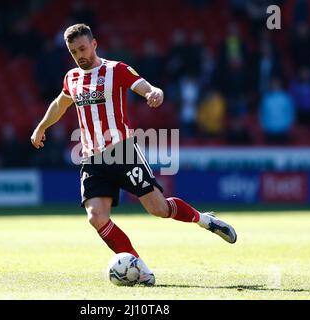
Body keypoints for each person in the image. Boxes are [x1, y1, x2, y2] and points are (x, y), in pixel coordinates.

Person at [30, 24, 237, 286]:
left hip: (123, 152)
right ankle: (141, 269)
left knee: (158, 209)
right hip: (92, 160)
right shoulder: (71, 78)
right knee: (96, 217)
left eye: (82, 48)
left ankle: (204, 220)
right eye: (73, 52)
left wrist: (154, 93)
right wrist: (41, 127)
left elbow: (144, 86)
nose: (79, 55)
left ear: (94, 44)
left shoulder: (116, 70)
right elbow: (60, 103)